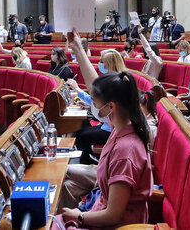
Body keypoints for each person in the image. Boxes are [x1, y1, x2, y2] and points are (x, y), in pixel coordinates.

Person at [57, 71, 153, 229]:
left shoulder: (126, 151)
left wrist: (79, 216)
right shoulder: (120, 128)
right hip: (102, 206)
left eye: (94, 102)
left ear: (110, 106)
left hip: (118, 225)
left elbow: (113, 216)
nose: (93, 107)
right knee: (66, 184)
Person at [69, 40, 126, 165]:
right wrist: (89, 105)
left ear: (109, 64)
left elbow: (101, 103)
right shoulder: (113, 78)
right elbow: (99, 103)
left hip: (112, 129)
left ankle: (87, 163)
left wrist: (77, 90)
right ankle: (88, 160)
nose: (99, 63)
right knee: (82, 130)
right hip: (108, 124)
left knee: (81, 135)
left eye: (101, 61)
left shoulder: (115, 81)